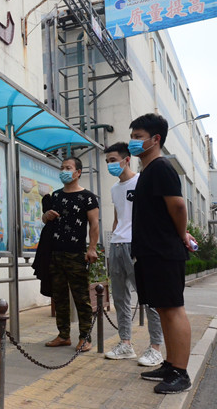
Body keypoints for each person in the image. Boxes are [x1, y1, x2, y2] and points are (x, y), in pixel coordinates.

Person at [129, 113, 195, 394]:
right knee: (163, 308)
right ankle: (170, 364)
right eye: (132, 137)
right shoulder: (148, 171)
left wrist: (182, 235)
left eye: (138, 137)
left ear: (155, 139)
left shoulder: (161, 168)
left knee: (173, 308)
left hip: (164, 251)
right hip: (150, 252)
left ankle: (181, 372)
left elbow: (178, 206)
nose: (133, 142)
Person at [103, 142, 164, 366]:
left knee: (149, 299)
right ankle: (126, 344)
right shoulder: (114, 189)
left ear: (126, 160)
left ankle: (156, 348)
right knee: (120, 298)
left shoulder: (141, 181)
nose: (110, 165)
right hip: (117, 246)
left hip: (137, 245)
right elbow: (118, 218)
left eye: (113, 160)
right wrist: (113, 241)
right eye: (107, 161)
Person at [42, 157, 99, 352]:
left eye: (68, 168)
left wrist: (92, 248)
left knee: (81, 297)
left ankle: (85, 337)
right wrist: (46, 216)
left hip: (76, 254)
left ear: (78, 172)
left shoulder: (88, 197)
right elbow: (45, 220)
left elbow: (94, 224)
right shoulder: (56, 195)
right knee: (59, 297)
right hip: (55, 253)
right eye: (62, 168)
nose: (64, 171)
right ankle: (63, 335)